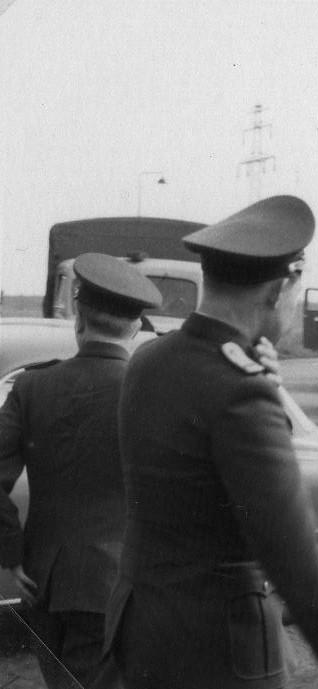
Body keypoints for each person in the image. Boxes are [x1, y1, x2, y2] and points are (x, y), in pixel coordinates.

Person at [107, 196, 318, 689]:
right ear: (279, 289)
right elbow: (293, 554)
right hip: (219, 651)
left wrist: (263, 392)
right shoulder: (241, 390)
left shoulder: (148, 360)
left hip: (143, 631)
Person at [0, 253, 160, 689]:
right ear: (134, 329)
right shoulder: (150, 394)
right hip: (118, 586)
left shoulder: (31, 386)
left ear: (78, 319)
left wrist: (11, 553)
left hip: (42, 582)